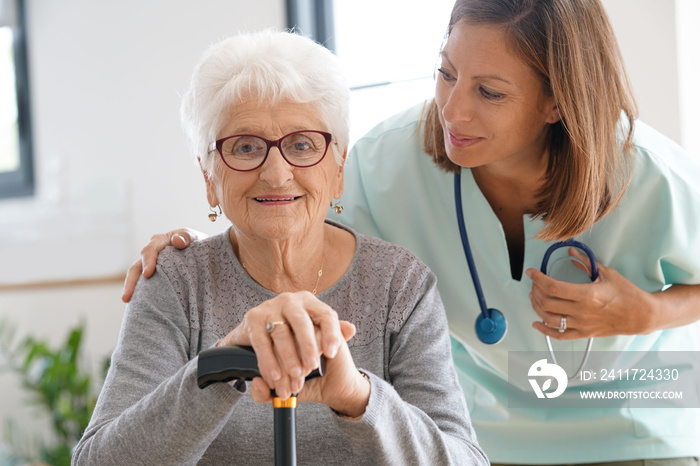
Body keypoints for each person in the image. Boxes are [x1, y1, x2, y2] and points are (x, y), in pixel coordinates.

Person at [121, 0, 700, 464]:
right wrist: (200, 247)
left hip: (634, 421)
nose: (452, 111)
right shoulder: (391, 158)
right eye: (447, 74)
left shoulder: (652, 176)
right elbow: (293, 213)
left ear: (556, 101)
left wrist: (649, 313)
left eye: (489, 92)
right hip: (497, 433)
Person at [73, 30, 487, 465]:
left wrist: (357, 396)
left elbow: (466, 460)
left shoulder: (400, 285)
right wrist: (224, 364)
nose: (276, 173)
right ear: (209, 178)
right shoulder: (175, 283)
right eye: (246, 147)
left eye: (302, 145)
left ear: (339, 167)